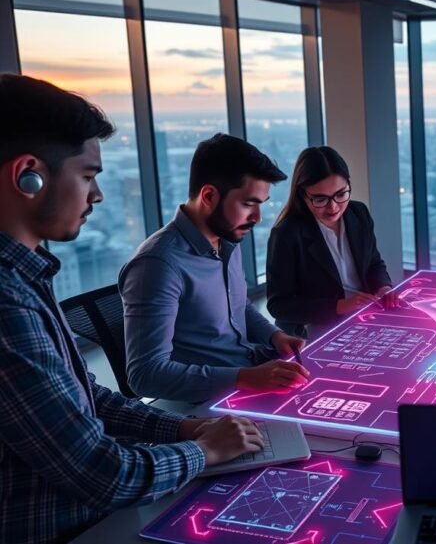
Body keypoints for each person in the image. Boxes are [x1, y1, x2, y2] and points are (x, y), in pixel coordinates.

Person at [0, 74, 265, 543]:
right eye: (87, 176)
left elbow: (88, 397)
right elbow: (102, 474)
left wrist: (185, 428)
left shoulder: (26, 277)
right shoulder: (7, 305)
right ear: (29, 175)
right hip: (74, 528)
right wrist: (202, 452)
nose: (96, 196)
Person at [120, 133, 310, 403]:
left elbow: (239, 307)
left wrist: (275, 336)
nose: (257, 218)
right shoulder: (158, 266)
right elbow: (145, 375)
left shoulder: (228, 238)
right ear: (208, 196)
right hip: (206, 403)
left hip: (248, 371)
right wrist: (244, 378)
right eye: (248, 204)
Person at [266, 145, 394, 338]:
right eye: (320, 199)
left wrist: (384, 288)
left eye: (341, 194)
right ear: (303, 195)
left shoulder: (358, 213)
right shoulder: (287, 233)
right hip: (314, 327)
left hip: (364, 315)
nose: (333, 207)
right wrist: (339, 306)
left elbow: (373, 264)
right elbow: (279, 306)